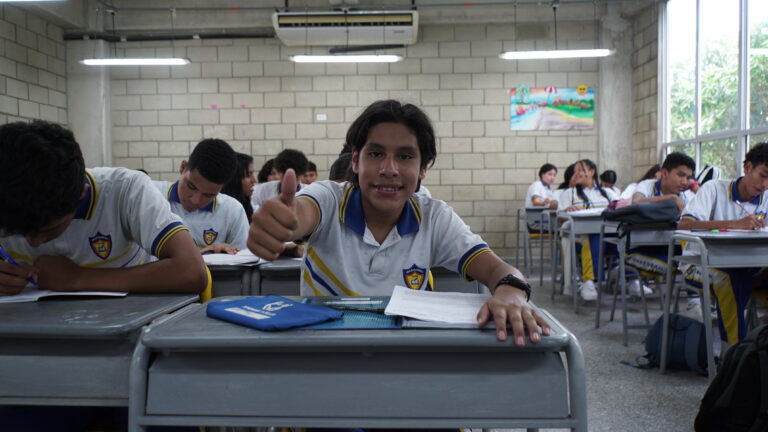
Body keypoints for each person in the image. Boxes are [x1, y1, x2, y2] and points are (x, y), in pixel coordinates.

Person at [248, 99, 550, 346]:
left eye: (405, 156)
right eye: (376, 153)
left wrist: (510, 292)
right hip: (326, 359)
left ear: (423, 170)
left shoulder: (434, 217)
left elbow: (499, 269)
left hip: (407, 362)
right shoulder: (329, 199)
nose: (389, 169)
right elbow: (302, 214)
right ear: (355, 161)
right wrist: (283, 222)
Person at [0, 120, 207, 296]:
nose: (33, 243)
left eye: (47, 230)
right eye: (17, 231)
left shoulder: (125, 190)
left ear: (81, 194)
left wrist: (76, 279)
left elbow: (191, 271)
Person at [678, 143, 768, 346]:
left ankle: (759, 349)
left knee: (741, 278)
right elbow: (684, 224)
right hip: (700, 265)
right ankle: (734, 355)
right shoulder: (714, 189)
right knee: (732, 281)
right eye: (763, 175)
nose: (765, 184)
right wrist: (735, 225)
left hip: (750, 267)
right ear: (748, 168)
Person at [154, 139, 249, 255]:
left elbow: (244, 260)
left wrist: (226, 256)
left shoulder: (233, 210)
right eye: (191, 186)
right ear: (183, 167)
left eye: (208, 195)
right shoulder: (151, 196)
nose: (195, 200)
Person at [624, 152, 696, 297]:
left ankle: (694, 303)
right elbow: (636, 202)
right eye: (680, 175)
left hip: (671, 249)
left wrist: (696, 189)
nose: (684, 181)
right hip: (640, 249)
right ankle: (694, 303)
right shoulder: (647, 186)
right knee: (688, 265)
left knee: (694, 261)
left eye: (688, 178)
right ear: (664, 173)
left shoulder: (687, 195)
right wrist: (671, 198)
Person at [558, 159, 620, 301]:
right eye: (575, 171)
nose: (577, 173)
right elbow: (560, 217)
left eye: (581, 170)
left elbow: (620, 206)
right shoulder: (569, 193)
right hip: (579, 237)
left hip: (607, 234)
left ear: (592, 172)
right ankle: (589, 281)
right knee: (592, 237)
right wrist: (566, 211)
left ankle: (630, 277)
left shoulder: (607, 193)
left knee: (623, 237)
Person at [222, 152, 257, 222]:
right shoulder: (222, 212)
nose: (254, 180)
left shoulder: (250, 207)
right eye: (249, 175)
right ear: (234, 179)